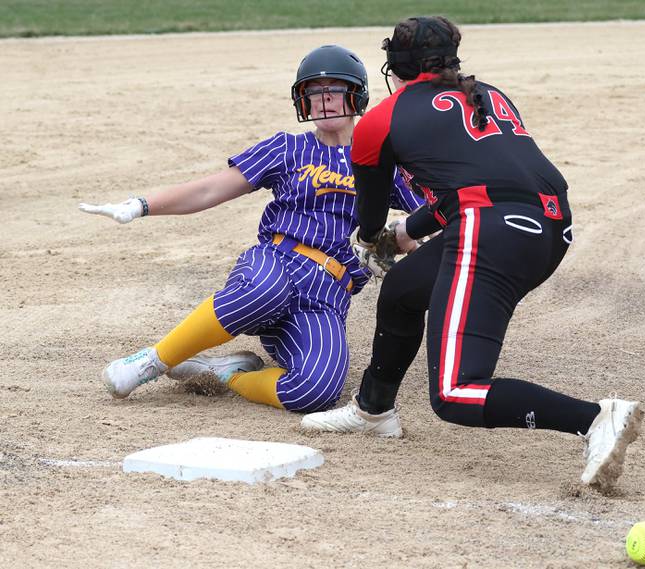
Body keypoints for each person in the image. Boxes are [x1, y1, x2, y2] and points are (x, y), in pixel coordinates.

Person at [300, 18, 644, 489]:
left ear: (395, 67)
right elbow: (479, 188)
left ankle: (594, 419)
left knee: (455, 393)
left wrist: (375, 241)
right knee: (403, 289)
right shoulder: (490, 94)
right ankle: (373, 409)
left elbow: (372, 218)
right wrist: (410, 231)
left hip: (492, 233)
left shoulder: (382, 119)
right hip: (549, 227)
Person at [78, 45, 423, 412]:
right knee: (267, 290)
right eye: (313, 91)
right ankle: (152, 361)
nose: (323, 99)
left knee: (317, 391)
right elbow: (211, 189)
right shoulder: (287, 148)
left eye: (334, 88)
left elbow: (433, 217)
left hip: (326, 296)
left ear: (357, 94)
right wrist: (140, 205)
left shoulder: (381, 162)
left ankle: (225, 374)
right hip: (276, 263)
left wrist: (399, 240)